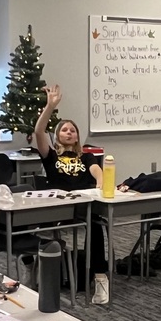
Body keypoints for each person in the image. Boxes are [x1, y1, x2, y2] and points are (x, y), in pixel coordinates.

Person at [33, 83, 110, 303]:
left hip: (84, 204)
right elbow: (39, 131)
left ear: (77, 137)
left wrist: (100, 182)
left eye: (73, 130)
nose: (69, 132)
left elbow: (97, 171)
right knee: (91, 221)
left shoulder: (86, 156)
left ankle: (100, 278)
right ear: (57, 136)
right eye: (64, 130)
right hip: (59, 208)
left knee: (95, 225)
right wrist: (50, 107)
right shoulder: (50, 156)